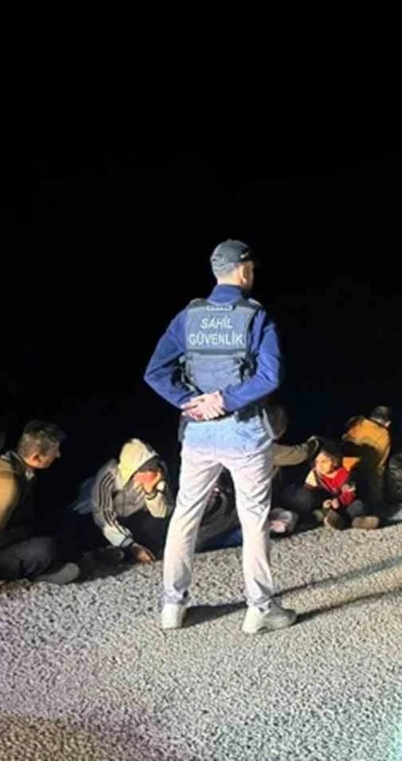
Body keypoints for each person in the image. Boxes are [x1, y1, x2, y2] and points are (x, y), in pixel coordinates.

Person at [144, 239, 296, 634]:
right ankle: (260, 609)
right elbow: (270, 376)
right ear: (243, 270)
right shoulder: (255, 316)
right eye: (251, 268)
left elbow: (155, 372)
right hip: (244, 432)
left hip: (198, 433)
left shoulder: (188, 316)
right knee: (254, 519)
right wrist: (225, 400)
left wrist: (190, 402)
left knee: (185, 515)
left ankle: (172, 606)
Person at [0, 421, 79, 584]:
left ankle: (57, 562)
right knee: (44, 548)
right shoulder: (6, 483)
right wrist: (23, 533)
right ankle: (38, 572)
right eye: (55, 452)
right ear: (36, 457)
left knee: (59, 521)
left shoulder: (13, 463)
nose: (58, 456)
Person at [282, 443, 381, 530]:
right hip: (326, 506)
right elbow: (309, 492)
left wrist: (339, 501)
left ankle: (350, 521)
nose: (319, 466)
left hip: (344, 505)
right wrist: (324, 502)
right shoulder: (315, 474)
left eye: (324, 462)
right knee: (311, 506)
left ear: (335, 462)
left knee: (358, 506)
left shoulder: (344, 475)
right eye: (317, 462)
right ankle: (338, 520)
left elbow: (350, 493)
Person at [342, 405, 393, 506]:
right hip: (358, 478)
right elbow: (377, 463)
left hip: (340, 473)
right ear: (388, 423)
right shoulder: (383, 435)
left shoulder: (358, 423)